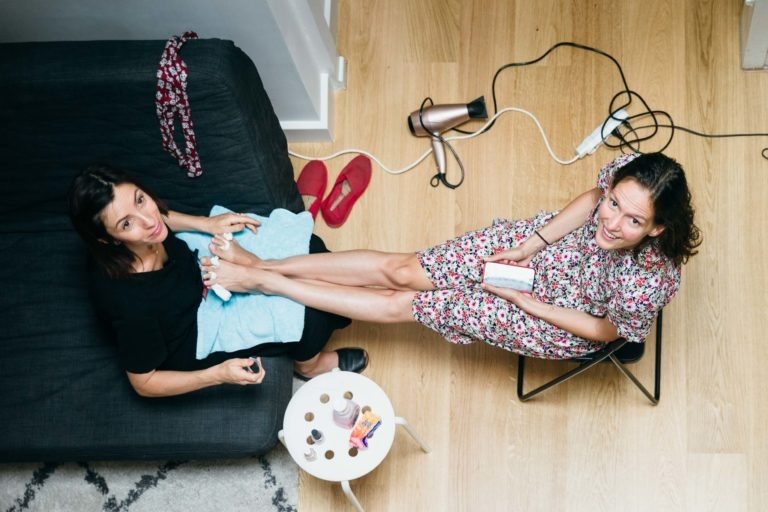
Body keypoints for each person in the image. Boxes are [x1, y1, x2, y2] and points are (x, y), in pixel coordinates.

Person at [201, 153, 702, 360]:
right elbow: (592, 202)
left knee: (404, 303)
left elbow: (604, 332)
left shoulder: (648, 283)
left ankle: (265, 282)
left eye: (633, 221)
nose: (612, 223)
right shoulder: (616, 188)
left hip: (558, 317)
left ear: (657, 228)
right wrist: (530, 245)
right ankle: (262, 263)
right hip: (548, 250)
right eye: (617, 203)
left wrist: (521, 301)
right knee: (403, 269)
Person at [68, 165, 368, 398]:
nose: (148, 220)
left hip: (198, 270)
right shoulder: (133, 306)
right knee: (311, 314)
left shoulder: (148, 223)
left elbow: (159, 219)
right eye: (127, 223)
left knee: (310, 249)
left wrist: (205, 223)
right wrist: (218, 374)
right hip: (191, 331)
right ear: (108, 239)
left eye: (141, 199)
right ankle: (309, 366)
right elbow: (143, 383)